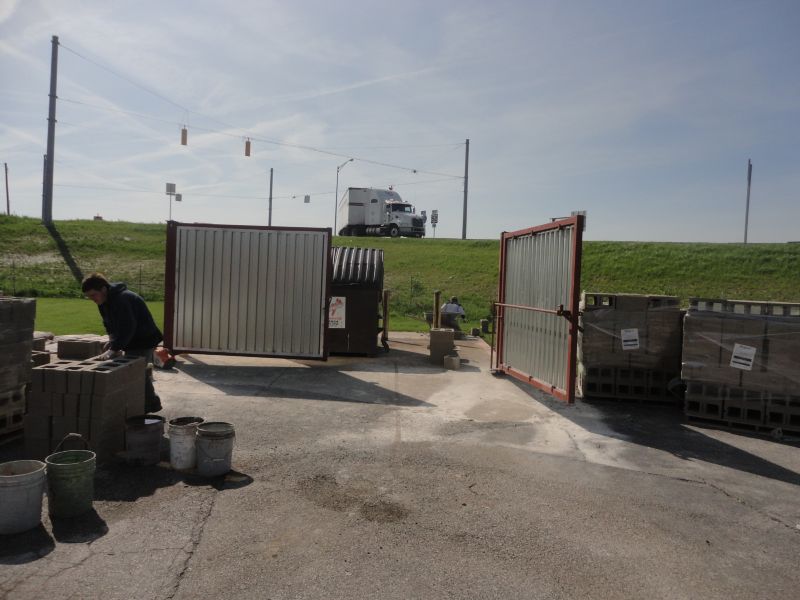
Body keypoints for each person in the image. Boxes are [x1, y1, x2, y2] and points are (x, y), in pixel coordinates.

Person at [82, 273, 163, 413]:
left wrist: (114, 349)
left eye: (93, 295)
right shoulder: (103, 301)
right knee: (135, 371)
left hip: (144, 339)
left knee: (136, 372)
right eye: (89, 296)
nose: (92, 299)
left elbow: (128, 327)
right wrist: (112, 340)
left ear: (103, 289)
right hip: (133, 339)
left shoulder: (122, 299)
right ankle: (148, 403)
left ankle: (150, 404)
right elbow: (108, 323)